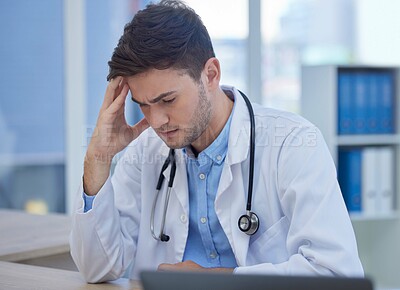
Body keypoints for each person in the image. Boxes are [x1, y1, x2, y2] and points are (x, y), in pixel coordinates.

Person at [69, 0, 364, 283]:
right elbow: (98, 269)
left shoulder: (293, 145)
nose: (156, 121)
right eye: (143, 105)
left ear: (210, 74)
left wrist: (210, 281)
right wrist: (98, 156)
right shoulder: (146, 153)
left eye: (167, 100)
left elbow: (336, 274)